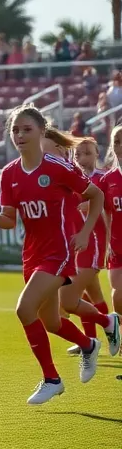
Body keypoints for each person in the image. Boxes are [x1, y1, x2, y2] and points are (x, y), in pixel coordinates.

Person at [0, 106, 108, 405]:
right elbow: (10, 220)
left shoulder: (57, 167)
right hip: (32, 254)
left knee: (24, 310)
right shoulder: (9, 173)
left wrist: (86, 232)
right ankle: (88, 344)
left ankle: (52, 379)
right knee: (50, 322)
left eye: (27, 129)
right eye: (16, 130)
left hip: (59, 252)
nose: (20, 135)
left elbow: (96, 195)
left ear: (41, 132)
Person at [60, 138, 119, 356]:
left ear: (97, 154)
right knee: (91, 295)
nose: (82, 158)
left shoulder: (103, 178)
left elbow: (109, 210)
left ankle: (96, 336)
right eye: (78, 154)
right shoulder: (73, 178)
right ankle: (94, 338)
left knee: (69, 297)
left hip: (94, 242)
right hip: (78, 243)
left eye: (87, 153)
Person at [101, 127, 122, 316]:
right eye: (116, 142)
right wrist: (108, 241)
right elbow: (106, 213)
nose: (120, 146)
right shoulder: (108, 179)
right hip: (117, 246)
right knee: (118, 295)